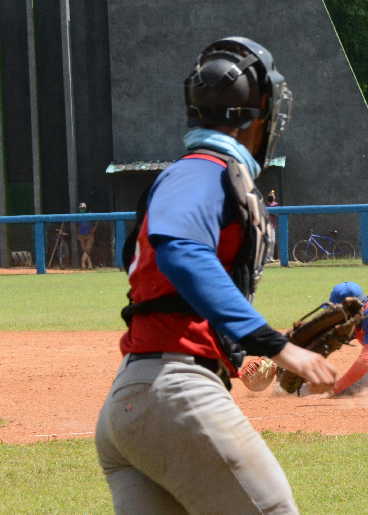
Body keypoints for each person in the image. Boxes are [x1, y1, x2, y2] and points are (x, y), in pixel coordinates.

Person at [95, 37, 336, 514]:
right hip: (176, 395)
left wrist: (243, 349)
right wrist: (275, 344)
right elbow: (180, 252)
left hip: (139, 399)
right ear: (259, 108)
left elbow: (159, 282)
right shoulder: (201, 172)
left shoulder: (198, 175)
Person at [77, 202, 96, 269]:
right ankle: (90, 265)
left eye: (83, 208)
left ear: (85, 208)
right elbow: (77, 226)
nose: (82, 209)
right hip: (81, 235)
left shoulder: (89, 215)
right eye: (81, 208)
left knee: (87, 249)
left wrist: (94, 229)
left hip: (89, 235)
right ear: (79, 209)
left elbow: (97, 221)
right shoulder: (77, 216)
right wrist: (78, 235)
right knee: (85, 250)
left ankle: (82, 262)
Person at [264, 189, 279, 262]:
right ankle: (267, 258)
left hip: (273, 225)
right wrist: (270, 194)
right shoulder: (267, 204)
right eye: (271, 195)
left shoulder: (275, 204)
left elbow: (276, 213)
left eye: (273, 195)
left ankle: (270, 257)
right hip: (267, 225)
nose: (272, 196)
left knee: (273, 241)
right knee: (269, 241)